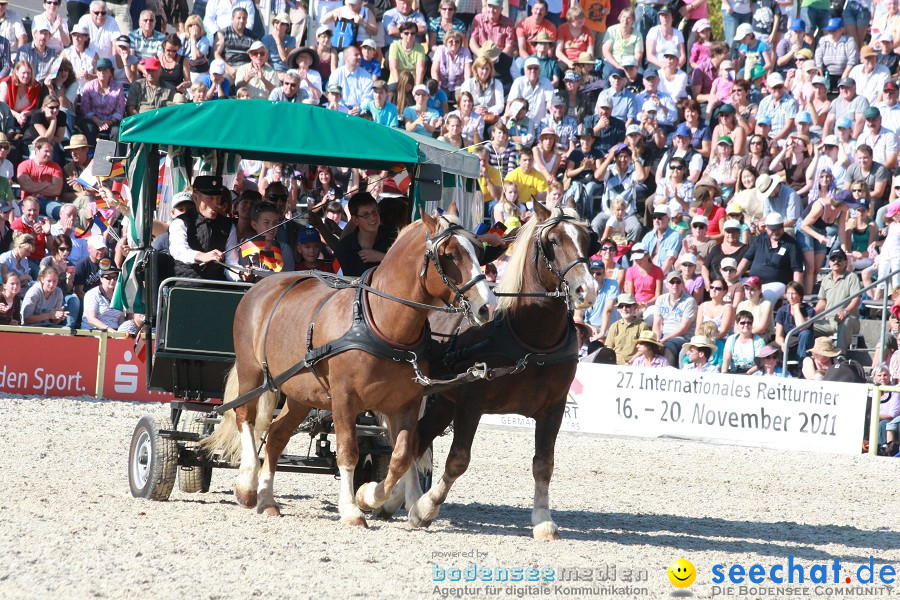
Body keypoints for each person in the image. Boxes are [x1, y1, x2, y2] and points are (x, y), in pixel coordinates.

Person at [169, 176, 241, 281]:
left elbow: (231, 263)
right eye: (211, 198)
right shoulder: (181, 222)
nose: (216, 203)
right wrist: (201, 256)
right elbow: (178, 250)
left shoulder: (228, 226)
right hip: (185, 288)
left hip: (218, 288)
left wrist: (240, 274)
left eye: (218, 198)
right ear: (196, 197)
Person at [310, 192, 393, 277]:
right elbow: (340, 283)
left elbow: (406, 264)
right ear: (355, 220)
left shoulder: (393, 236)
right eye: (366, 214)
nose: (373, 217)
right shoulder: (344, 248)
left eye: (375, 212)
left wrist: (381, 257)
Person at [736, 212, 804, 303]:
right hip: (753, 280)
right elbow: (747, 259)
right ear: (766, 228)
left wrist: (796, 291)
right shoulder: (760, 239)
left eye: (778, 229)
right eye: (772, 229)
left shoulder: (791, 244)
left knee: (766, 296)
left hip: (777, 283)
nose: (775, 232)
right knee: (736, 289)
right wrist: (736, 276)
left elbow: (797, 270)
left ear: (783, 227)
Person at [813, 248, 862, 351]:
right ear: (829, 262)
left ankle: (840, 355)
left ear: (845, 262)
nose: (836, 261)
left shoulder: (852, 277)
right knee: (807, 326)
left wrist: (845, 312)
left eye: (839, 259)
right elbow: (823, 302)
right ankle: (809, 356)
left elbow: (856, 300)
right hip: (828, 321)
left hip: (849, 319)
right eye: (833, 259)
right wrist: (811, 316)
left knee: (846, 322)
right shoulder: (826, 279)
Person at [651, 270, 697, 364]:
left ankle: (667, 375)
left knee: (668, 346)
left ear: (682, 284)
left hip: (682, 337)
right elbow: (657, 324)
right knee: (647, 346)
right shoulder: (660, 299)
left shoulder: (689, 301)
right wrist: (656, 340)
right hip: (664, 335)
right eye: (672, 282)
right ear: (667, 284)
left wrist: (664, 340)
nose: (675, 285)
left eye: (678, 282)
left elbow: (684, 329)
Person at [80, 57, 125, 144]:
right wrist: (97, 121)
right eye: (99, 69)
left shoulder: (118, 87)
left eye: (105, 70)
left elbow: (120, 110)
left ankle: (117, 157)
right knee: (89, 128)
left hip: (112, 121)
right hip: (93, 120)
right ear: (96, 72)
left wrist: (110, 122)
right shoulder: (89, 86)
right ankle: (89, 155)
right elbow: (85, 109)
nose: (102, 72)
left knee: (116, 131)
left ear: (111, 72)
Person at [604, 292, 650, 364]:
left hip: (636, 365)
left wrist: (631, 361)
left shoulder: (643, 326)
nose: (624, 309)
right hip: (615, 364)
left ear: (635, 307)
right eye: (621, 306)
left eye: (627, 306)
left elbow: (644, 349)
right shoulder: (614, 326)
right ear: (618, 309)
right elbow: (609, 348)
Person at [80, 259, 124, 331]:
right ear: (101, 279)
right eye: (108, 278)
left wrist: (122, 332)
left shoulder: (119, 295)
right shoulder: (92, 294)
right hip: (94, 332)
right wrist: (110, 330)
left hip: (115, 332)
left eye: (115, 278)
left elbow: (121, 318)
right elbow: (91, 319)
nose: (112, 281)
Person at [624, 242, 663, 310]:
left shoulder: (657, 270)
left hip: (652, 306)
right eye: (636, 259)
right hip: (634, 305)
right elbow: (630, 294)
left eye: (640, 258)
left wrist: (647, 304)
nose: (638, 261)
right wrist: (635, 305)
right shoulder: (630, 271)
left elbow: (658, 295)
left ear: (647, 255)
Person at [736, 275, 774, 340]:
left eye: (752, 289)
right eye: (747, 289)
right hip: (742, 338)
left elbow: (761, 329)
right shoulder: (741, 304)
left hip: (761, 338)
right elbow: (736, 328)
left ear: (760, 290)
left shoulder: (766, 304)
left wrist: (745, 335)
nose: (749, 292)